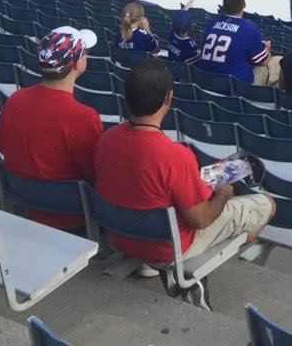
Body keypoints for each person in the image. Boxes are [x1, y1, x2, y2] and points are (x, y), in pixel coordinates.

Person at [92, 58, 275, 274]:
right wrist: (225, 193)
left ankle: (148, 261)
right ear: (168, 98)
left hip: (120, 237)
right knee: (267, 204)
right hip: (167, 249)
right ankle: (226, 246)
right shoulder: (176, 155)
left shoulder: (106, 139)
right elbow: (202, 219)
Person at [0, 26, 102, 230]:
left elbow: (3, 146)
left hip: (24, 200)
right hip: (71, 214)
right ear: (77, 63)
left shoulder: (16, 99)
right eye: (85, 53)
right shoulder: (83, 117)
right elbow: (95, 176)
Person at [194, 0, 280, 86]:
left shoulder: (212, 22)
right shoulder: (249, 28)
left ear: (224, 5)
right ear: (244, 4)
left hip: (205, 79)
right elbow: (263, 62)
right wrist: (267, 48)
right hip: (234, 85)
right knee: (277, 61)